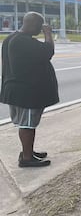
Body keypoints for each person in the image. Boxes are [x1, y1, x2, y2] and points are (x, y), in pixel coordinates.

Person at [0, 12, 59, 168]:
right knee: (27, 125)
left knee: (28, 124)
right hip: (25, 92)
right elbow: (48, 51)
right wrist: (48, 34)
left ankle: (28, 151)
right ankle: (27, 158)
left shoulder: (12, 38)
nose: (40, 30)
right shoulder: (21, 41)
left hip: (20, 91)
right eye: (40, 26)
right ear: (33, 24)